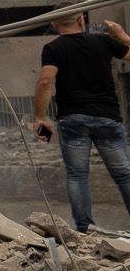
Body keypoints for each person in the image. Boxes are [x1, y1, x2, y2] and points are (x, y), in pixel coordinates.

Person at [33, 12, 130, 232]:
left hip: (73, 118)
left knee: (77, 175)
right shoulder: (104, 41)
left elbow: (46, 80)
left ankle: (85, 228)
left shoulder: (53, 48)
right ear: (81, 19)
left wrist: (40, 117)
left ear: (54, 24)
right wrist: (123, 36)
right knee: (124, 174)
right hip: (107, 117)